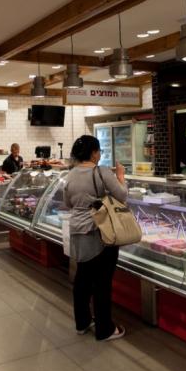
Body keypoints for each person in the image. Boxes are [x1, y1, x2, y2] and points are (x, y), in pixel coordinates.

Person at [63, 135, 127, 341]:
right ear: (93, 153)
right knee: (102, 282)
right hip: (99, 231)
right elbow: (122, 195)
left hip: (77, 230)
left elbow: (68, 203)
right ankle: (104, 329)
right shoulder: (102, 171)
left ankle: (82, 322)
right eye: (98, 151)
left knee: (82, 278)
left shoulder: (70, 174)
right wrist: (121, 176)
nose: (99, 155)